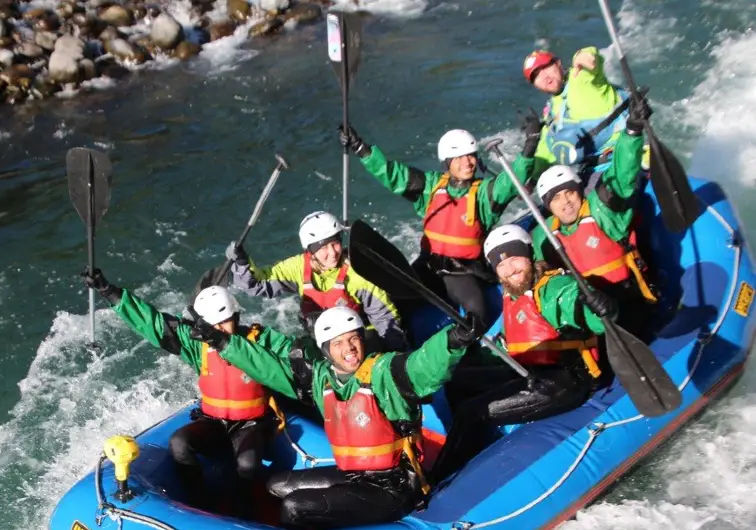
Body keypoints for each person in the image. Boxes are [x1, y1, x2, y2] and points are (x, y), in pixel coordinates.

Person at [201, 305, 484, 530]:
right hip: (354, 476)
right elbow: (268, 367)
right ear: (326, 350)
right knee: (275, 486)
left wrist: (453, 340)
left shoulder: (384, 373)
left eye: (353, 339)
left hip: (394, 486)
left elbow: (421, 365)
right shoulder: (323, 379)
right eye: (338, 343)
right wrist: (224, 342)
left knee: (294, 506)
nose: (349, 348)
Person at [81, 270, 292, 513]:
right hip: (213, 421)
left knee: (247, 463)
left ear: (237, 315)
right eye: (213, 325)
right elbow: (153, 323)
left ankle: (243, 511)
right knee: (179, 443)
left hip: (252, 424)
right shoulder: (198, 343)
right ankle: (199, 503)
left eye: (225, 321)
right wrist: (110, 292)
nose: (220, 330)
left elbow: (290, 357)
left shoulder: (261, 341)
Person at [434, 225, 616, 474]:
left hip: (565, 381)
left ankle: (444, 476)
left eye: (515, 258)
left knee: (470, 413)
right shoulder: (513, 293)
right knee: (457, 380)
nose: (510, 269)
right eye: (501, 265)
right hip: (528, 371)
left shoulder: (552, 289)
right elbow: (514, 342)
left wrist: (599, 308)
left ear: (529, 255)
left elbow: (577, 304)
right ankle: (474, 443)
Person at [338, 124, 540, 327]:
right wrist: (360, 148)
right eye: (459, 157)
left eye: (470, 155)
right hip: (427, 266)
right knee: (393, 304)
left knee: (477, 310)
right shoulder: (430, 187)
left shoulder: (485, 193)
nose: (467, 162)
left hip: (461, 272)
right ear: (447, 162)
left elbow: (512, 181)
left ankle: (470, 348)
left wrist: (530, 145)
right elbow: (392, 174)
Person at [531, 100, 658, 334]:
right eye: (556, 199)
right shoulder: (544, 234)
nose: (566, 202)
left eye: (570, 193)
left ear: (580, 193)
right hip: (590, 314)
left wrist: (632, 130)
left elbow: (622, 175)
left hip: (628, 301)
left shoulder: (603, 211)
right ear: (549, 206)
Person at [226, 210, 408, 351]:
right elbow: (257, 285)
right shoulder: (296, 268)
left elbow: (385, 319)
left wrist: (396, 354)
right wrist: (242, 262)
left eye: (335, 243)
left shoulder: (357, 273)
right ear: (310, 251)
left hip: (356, 341)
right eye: (323, 248)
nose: (333, 252)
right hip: (320, 339)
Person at [523, 47, 633, 173]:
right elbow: (546, 153)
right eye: (536, 76)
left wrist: (583, 56)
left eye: (546, 67)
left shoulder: (580, 78)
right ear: (535, 85)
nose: (544, 76)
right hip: (594, 172)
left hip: (625, 155)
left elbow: (590, 61)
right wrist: (532, 181)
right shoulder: (551, 111)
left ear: (558, 63)